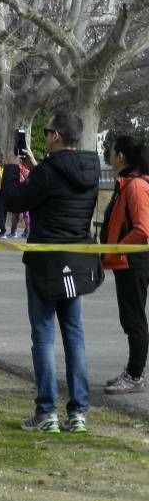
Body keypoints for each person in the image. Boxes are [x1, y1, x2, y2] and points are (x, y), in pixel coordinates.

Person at [2, 109, 102, 434]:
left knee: (43, 337)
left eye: (47, 132)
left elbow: (15, 202)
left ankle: (47, 412)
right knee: (75, 337)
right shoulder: (90, 169)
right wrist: (36, 168)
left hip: (46, 264)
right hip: (78, 260)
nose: (45, 137)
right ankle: (79, 413)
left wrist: (11, 168)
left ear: (56, 135)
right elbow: (60, 189)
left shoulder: (47, 171)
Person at [100, 135, 149, 394]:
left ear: (120, 157)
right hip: (128, 260)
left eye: (111, 151)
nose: (108, 155)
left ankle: (135, 374)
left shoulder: (135, 186)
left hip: (133, 260)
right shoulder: (127, 183)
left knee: (134, 319)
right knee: (131, 317)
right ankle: (133, 370)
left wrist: (119, 247)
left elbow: (142, 229)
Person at [7, 162, 31, 238]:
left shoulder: (16, 168)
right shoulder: (27, 169)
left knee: (15, 214)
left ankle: (13, 232)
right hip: (26, 192)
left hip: (17, 192)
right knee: (26, 214)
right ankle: (28, 231)